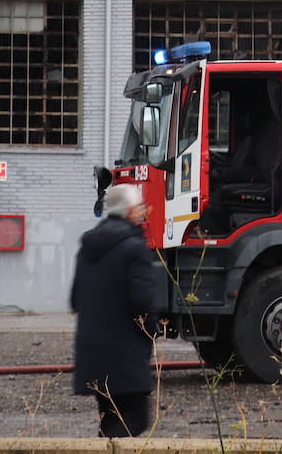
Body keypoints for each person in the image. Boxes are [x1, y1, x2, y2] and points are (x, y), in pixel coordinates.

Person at [70, 182, 162, 438]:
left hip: (93, 354)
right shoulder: (134, 249)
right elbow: (143, 304)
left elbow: (75, 300)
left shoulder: (86, 248)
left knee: (110, 422)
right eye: (140, 206)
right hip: (126, 356)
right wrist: (151, 332)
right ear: (131, 212)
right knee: (134, 421)